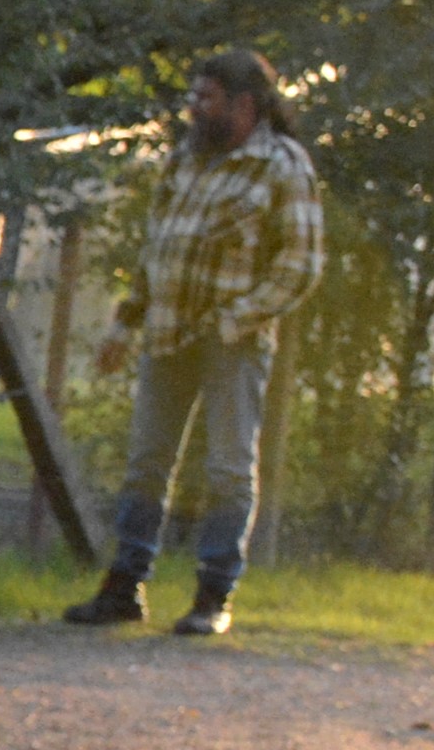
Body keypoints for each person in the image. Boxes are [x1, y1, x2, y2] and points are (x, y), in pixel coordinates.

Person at [69, 49, 323, 637]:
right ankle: (124, 587)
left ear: (244, 105)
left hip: (234, 340)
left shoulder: (282, 166)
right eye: (193, 96)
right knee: (146, 463)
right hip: (166, 332)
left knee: (229, 467)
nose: (192, 108)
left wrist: (236, 319)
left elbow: (299, 266)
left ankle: (213, 594)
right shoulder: (185, 160)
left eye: (205, 98)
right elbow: (155, 250)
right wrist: (126, 323)